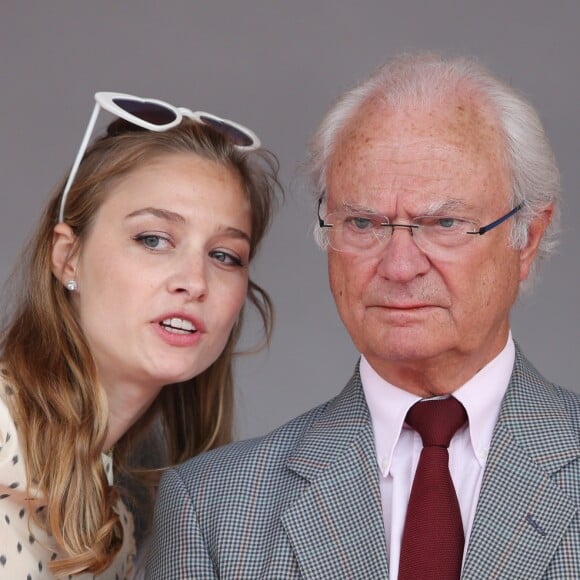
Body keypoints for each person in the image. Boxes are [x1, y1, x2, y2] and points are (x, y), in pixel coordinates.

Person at [146, 53, 580, 579]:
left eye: (444, 222)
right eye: (363, 222)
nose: (398, 266)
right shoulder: (212, 508)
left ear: (527, 238)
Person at [0, 92, 278, 578]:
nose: (194, 281)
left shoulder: (120, 527)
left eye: (225, 255)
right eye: (153, 239)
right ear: (68, 257)